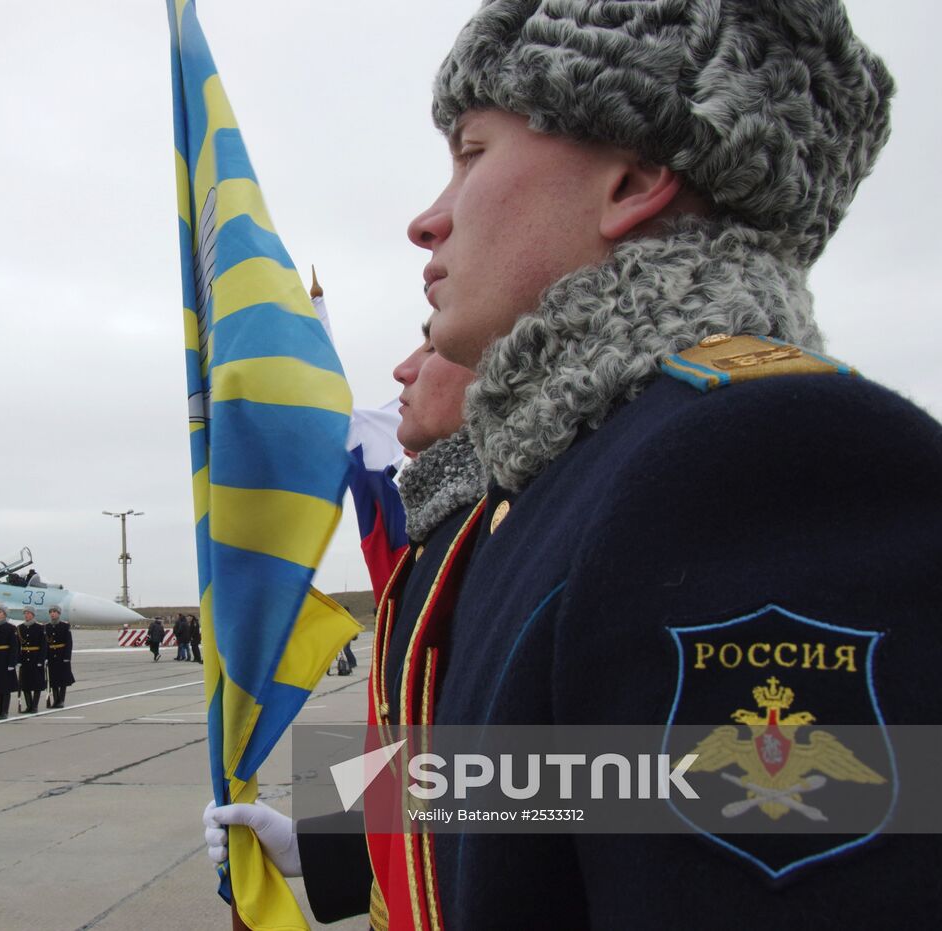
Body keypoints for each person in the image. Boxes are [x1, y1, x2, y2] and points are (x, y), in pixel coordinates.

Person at [211, 2, 942, 926]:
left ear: (633, 181)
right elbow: (582, 781)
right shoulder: (568, 479)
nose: (425, 221)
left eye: (472, 154)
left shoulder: (764, 457)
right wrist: (323, 831)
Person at [206, 322, 481, 923]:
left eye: (434, 346)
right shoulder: (454, 537)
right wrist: (318, 845)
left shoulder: (558, 521)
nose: (403, 369)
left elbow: (696, 780)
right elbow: (469, 782)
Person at [16, 607, 47, 713]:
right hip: (25, 658)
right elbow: (17, 646)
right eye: (25, 613)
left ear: (33, 615)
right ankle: (29, 705)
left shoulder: (40, 628)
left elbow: (43, 645)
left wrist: (41, 660)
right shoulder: (20, 628)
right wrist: (18, 660)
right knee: (25, 684)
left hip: (35, 657)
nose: (26, 615)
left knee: (37, 684)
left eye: (29, 613)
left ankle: (34, 706)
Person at [44, 605, 74, 709]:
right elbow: (45, 644)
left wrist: (67, 657)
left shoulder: (64, 626)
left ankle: (61, 700)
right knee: (53, 680)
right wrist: (45, 657)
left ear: (59, 613)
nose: (52, 613)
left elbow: (68, 643)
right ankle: (55, 700)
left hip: (62, 655)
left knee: (62, 679)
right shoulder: (46, 627)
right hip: (51, 655)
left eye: (55, 612)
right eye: (51, 612)